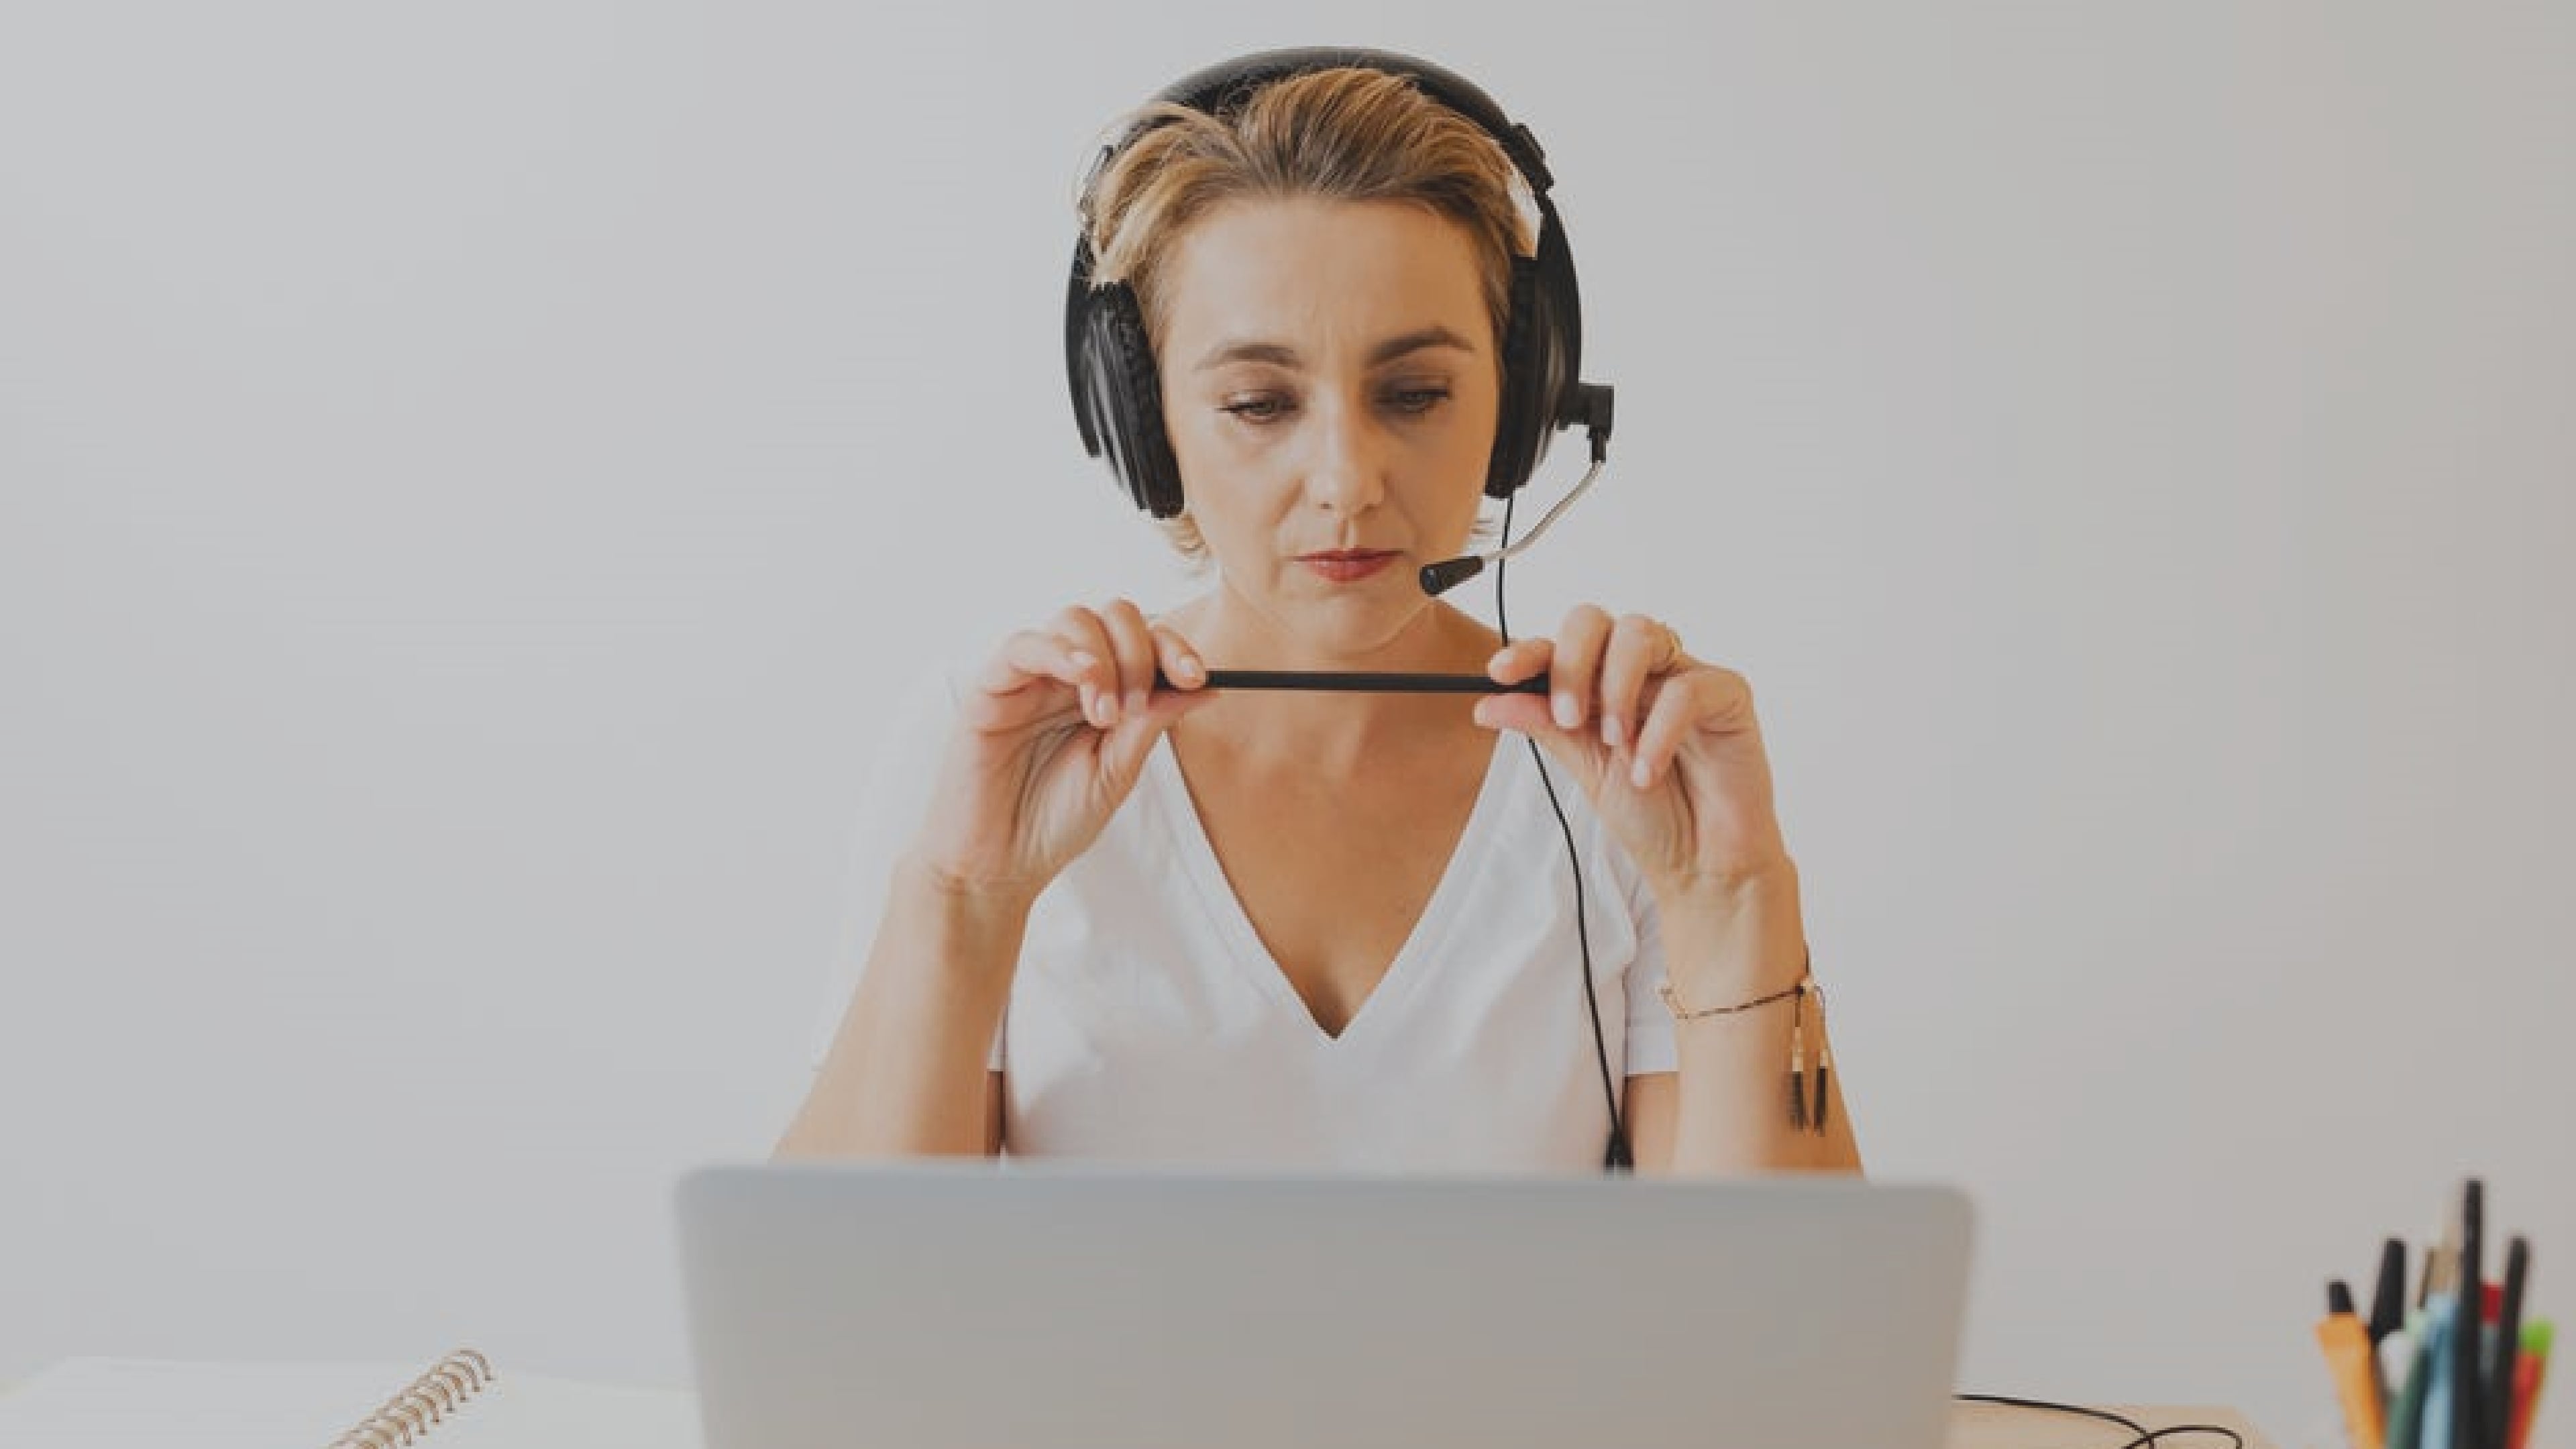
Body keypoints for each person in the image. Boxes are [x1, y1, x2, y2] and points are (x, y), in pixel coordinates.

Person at [776, 50, 1860, 1175]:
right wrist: (962, 899)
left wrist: (1731, 900)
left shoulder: (1624, 778)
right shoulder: (993, 750)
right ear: (1146, 427)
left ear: (1522, 406)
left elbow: (1793, 1336)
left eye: (1413, 395)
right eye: (1258, 403)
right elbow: (830, 1320)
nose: (1345, 478)